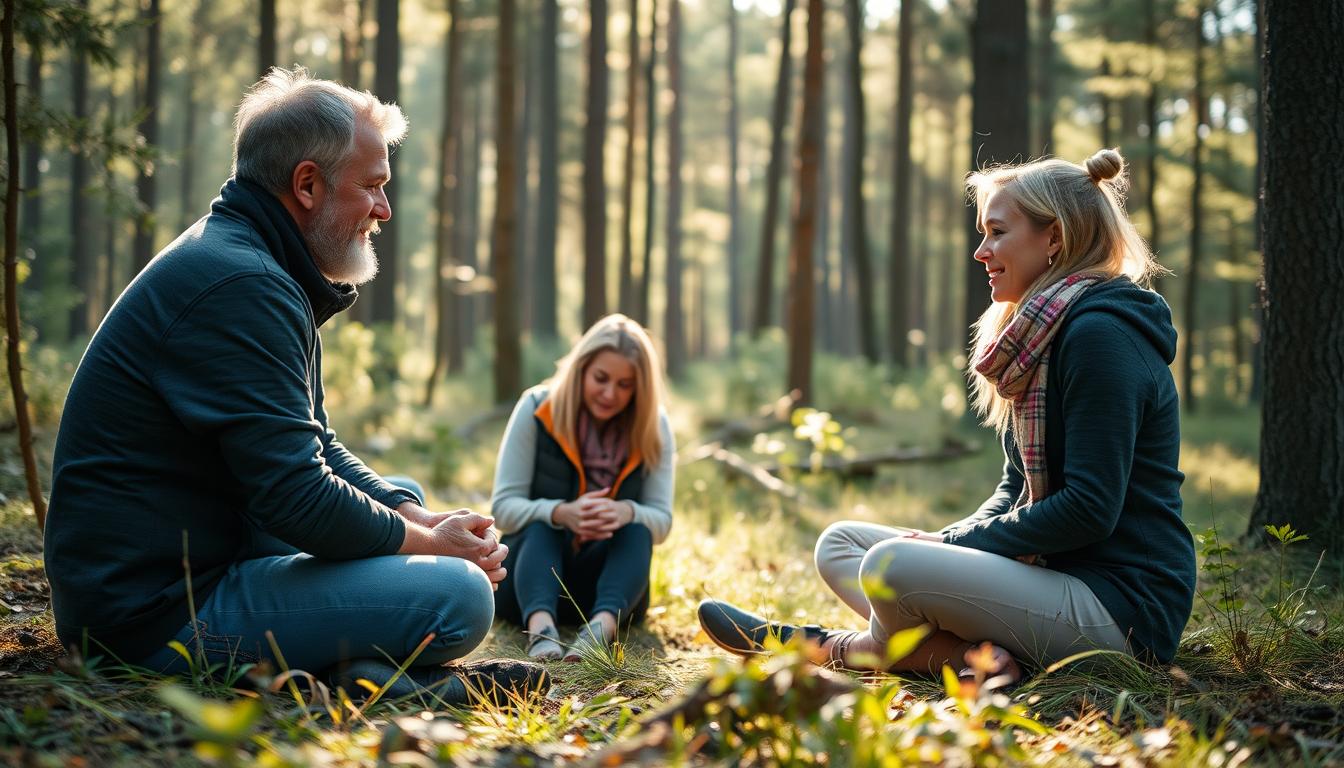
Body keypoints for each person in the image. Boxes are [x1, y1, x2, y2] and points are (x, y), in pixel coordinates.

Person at [44, 67, 546, 703]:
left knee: (405, 498)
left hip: (203, 554)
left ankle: (355, 675)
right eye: (372, 187)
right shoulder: (241, 285)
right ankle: (372, 681)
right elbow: (297, 497)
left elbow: (317, 446)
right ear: (307, 184)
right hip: (151, 620)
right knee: (459, 593)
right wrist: (431, 544)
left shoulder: (251, 261)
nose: (385, 210)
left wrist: (410, 515)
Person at [698, 149, 1196, 684]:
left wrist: (952, 547)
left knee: (889, 566)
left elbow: (1088, 510)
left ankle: (831, 648)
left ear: (1054, 239)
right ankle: (970, 659)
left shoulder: (1100, 338)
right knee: (842, 543)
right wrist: (955, 539)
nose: (981, 252)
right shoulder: (1039, 336)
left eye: (998, 233)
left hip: (1120, 610)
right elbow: (1016, 487)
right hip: (1055, 577)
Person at [490, 315, 675, 661]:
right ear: (580, 370)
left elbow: (662, 522)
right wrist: (561, 513)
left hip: (610, 588)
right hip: (528, 582)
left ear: (640, 388)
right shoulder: (535, 408)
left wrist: (626, 511)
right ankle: (541, 630)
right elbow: (502, 508)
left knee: (638, 529)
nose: (610, 394)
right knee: (542, 524)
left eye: (625, 385)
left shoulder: (654, 426)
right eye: (601, 379)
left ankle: (598, 632)